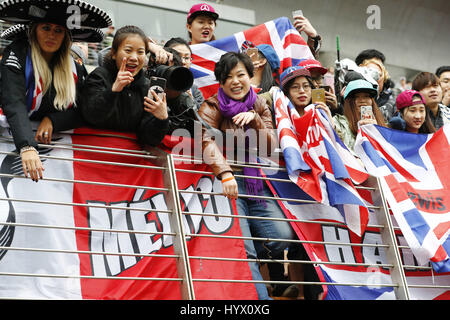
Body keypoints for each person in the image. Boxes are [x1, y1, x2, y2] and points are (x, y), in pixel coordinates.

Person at [197, 52, 294, 300]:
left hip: (256, 184)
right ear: (221, 82)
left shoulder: (260, 104)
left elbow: (270, 146)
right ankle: (262, 299)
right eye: (228, 77)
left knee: (282, 236)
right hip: (227, 185)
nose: (235, 81)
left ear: (250, 76)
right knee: (244, 250)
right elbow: (202, 138)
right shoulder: (212, 105)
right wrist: (225, 172)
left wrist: (255, 122)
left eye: (241, 74)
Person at [0, 1, 111, 182]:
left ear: (65, 36)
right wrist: (27, 147)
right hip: (12, 143)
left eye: (58, 30)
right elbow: (13, 102)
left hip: (52, 158)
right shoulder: (16, 53)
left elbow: (84, 110)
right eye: (46, 28)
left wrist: (53, 120)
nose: (51, 35)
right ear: (34, 30)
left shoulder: (76, 68)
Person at [81, 26, 169, 147]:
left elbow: (148, 139)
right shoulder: (99, 76)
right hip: (92, 152)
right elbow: (91, 116)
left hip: (127, 159)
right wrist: (113, 91)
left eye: (140, 52)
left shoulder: (146, 87)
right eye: (128, 50)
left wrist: (161, 119)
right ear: (113, 53)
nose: (134, 57)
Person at [333, 79, 386, 151]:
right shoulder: (338, 123)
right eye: (356, 97)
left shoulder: (381, 123)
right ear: (349, 101)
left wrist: (376, 131)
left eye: (366, 96)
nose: (362, 100)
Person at [164, 37, 205, 108]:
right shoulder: (155, 82)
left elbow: (201, 117)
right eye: (177, 57)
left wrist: (190, 101)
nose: (183, 62)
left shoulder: (194, 91)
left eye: (186, 58)